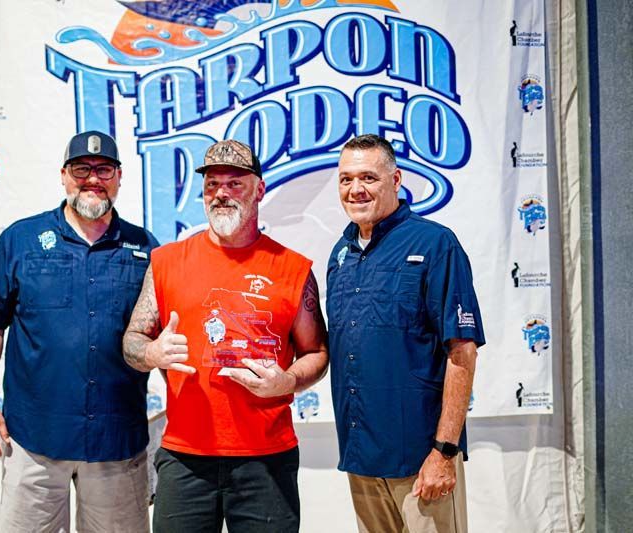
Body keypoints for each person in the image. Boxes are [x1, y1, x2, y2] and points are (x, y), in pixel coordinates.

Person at [123, 139, 329, 532]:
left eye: (234, 183)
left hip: (266, 458)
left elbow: (317, 352)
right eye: (212, 184)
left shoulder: (293, 269)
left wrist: (287, 381)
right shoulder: (166, 262)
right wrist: (151, 352)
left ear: (259, 190)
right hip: (185, 456)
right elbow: (132, 339)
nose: (221, 193)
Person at [0, 131, 159, 532]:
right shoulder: (22, 239)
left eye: (103, 169)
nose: (92, 178)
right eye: (81, 169)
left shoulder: (146, 248)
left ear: (119, 177)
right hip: (34, 439)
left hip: (116, 442)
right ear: (64, 176)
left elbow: (165, 335)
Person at [327, 134, 485, 533]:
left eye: (368, 178)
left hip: (421, 462)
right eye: (346, 179)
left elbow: (462, 351)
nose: (356, 189)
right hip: (361, 458)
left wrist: (444, 452)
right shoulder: (340, 255)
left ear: (395, 181)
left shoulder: (435, 244)